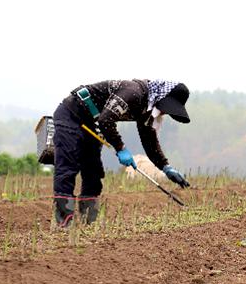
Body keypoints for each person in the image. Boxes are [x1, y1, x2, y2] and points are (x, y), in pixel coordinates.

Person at [52, 79, 191, 227]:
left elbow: (149, 141)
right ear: (161, 97)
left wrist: (165, 167)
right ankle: (65, 223)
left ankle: (88, 222)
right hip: (71, 114)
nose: (165, 112)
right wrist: (121, 148)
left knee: (93, 171)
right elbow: (106, 120)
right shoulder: (134, 93)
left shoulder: (146, 110)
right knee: (68, 166)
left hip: (91, 122)